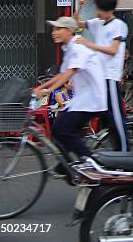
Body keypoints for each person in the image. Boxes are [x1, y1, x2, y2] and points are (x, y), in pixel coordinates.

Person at [34, 17, 107, 161]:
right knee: (59, 130)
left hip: (91, 100)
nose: (54, 32)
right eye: (54, 29)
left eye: (58, 29)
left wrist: (48, 90)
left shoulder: (78, 48)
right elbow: (61, 74)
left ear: (69, 31)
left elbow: (70, 72)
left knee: (64, 130)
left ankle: (90, 161)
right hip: (82, 99)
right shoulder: (68, 48)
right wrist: (40, 87)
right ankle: (67, 165)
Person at [74, 0, 130, 151]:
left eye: (100, 9)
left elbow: (113, 50)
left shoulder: (119, 25)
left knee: (117, 118)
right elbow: (76, 23)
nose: (97, 12)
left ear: (109, 10)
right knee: (104, 116)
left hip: (110, 77)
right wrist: (79, 8)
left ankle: (125, 153)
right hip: (97, 77)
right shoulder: (97, 23)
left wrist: (88, 43)